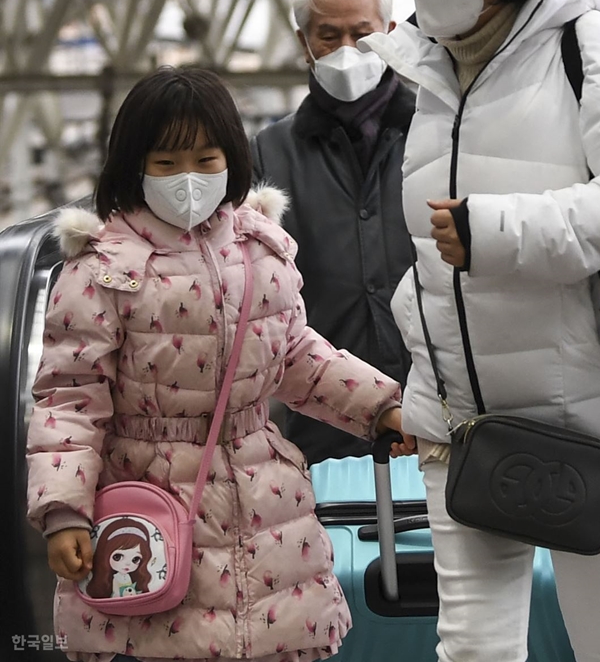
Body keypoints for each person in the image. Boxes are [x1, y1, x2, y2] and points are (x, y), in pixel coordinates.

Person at [356, 0, 600, 662]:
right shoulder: (427, 70)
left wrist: (497, 233)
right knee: (471, 648)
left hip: (593, 424)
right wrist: (417, 320)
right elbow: (428, 245)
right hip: (460, 417)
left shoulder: (596, 45)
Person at [25, 65, 414, 662]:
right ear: (133, 164)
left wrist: (384, 405)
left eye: (207, 160)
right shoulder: (100, 271)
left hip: (268, 509)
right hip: (148, 511)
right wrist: (63, 512)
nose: (189, 178)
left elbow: (294, 355)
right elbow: (71, 399)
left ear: (232, 159)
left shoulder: (260, 251)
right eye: (166, 162)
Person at [251, 0, 415, 464]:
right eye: (328, 35)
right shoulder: (269, 154)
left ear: (389, 34)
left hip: (437, 406)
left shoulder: (437, 135)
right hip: (323, 424)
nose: (347, 50)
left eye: (361, 33)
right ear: (305, 43)